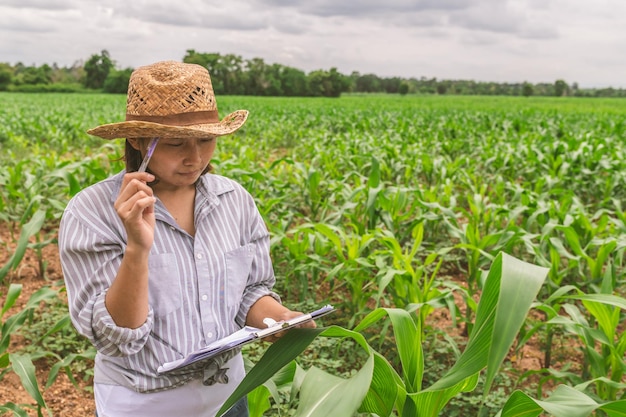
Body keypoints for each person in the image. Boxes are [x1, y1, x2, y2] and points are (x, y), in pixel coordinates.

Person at [58, 60, 315, 417]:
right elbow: (116, 338)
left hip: (229, 395)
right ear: (137, 139)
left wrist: (281, 319)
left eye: (206, 140)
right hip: (144, 403)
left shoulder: (233, 200)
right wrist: (137, 248)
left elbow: (250, 291)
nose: (195, 158)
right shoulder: (92, 212)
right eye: (176, 143)